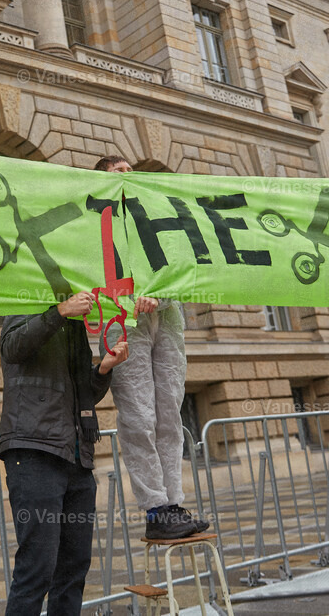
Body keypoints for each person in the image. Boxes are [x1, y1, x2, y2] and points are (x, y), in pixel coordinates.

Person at [93, 155, 208, 540]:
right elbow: (93, 277)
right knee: (139, 417)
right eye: (118, 173)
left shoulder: (159, 216)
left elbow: (185, 268)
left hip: (168, 319)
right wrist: (131, 299)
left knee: (169, 414)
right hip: (123, 323)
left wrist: (160, 296)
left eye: (130, 171)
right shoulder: (94, 226)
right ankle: (156, 509)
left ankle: (174, 503)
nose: (127, 177)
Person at [0, 291, 129, 615]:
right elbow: (12, 348)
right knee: (36, 567)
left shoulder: (74, 324)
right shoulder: (25, 301)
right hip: (34, 452)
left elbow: (81, 394)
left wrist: (103, 369)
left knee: (74, 567)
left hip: (76, 457)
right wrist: (59, 311)